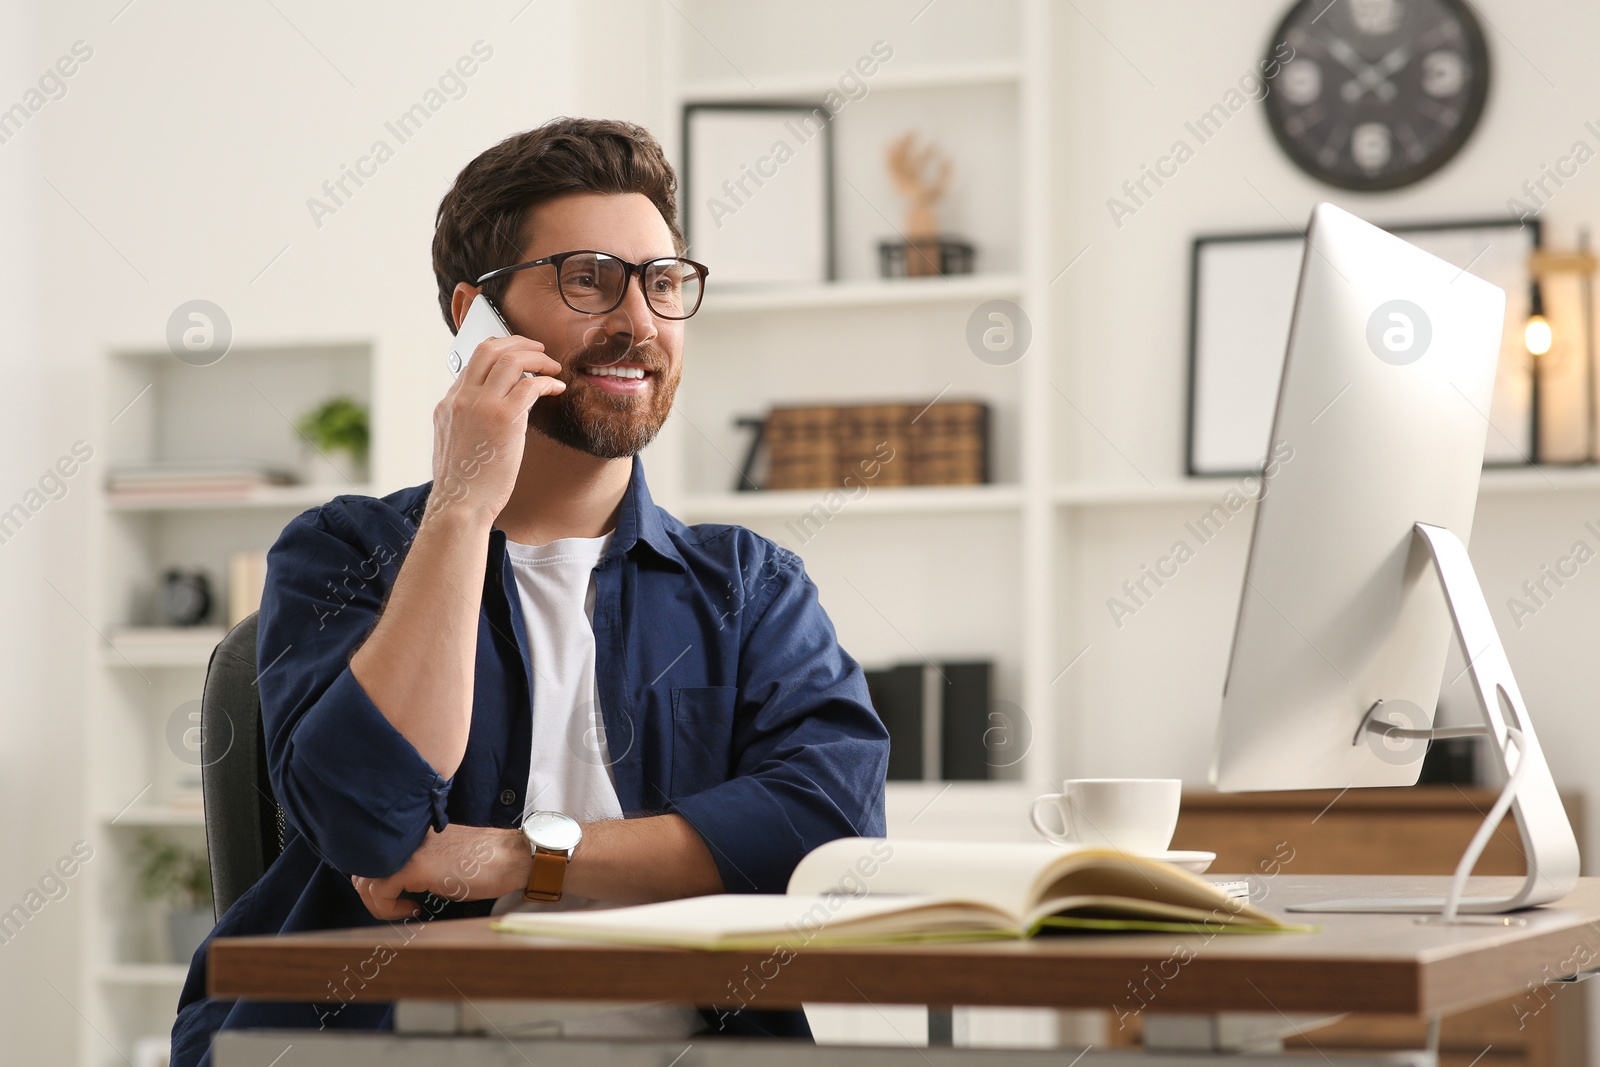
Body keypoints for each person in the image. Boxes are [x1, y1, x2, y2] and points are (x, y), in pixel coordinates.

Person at [171, 116, 888, 1065]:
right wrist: (464, 506)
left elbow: (830, 828)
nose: (639, 322)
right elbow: (368, 824)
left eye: (664, 284)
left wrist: (519, 856)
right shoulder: (343, 551)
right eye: (590, 278)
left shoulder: (749, 589)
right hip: (382, 1042)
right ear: (479, 316)